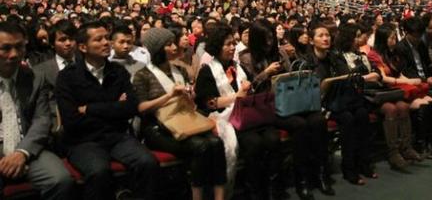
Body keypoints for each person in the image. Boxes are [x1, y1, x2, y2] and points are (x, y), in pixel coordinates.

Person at [55, 21, 161, 200]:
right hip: (83, 140)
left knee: (148, 163)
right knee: (99, 172)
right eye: (99, 39)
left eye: (106, 38)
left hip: (117, 136)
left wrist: (90, 108)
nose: (106, 43)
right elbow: (71, 120)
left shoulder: (118, 72)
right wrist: (114, 107)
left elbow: (130, 108)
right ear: (83, 47)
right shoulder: (68, 77)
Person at [239, 20, 332, 199]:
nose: (269, 42)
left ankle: (320, 174)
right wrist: (266, 72)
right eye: (264, 38)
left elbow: (291, 75)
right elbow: (248, 89)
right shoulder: (246, 57)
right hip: (265, 107)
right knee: (300, 125)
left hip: (288, 100)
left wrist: (288, 70)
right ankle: (301, 180)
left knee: (318, 120)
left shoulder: (280, 52)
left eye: (271, 37)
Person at [133, 27, 226, 200]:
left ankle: (219, 197)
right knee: (202, 146)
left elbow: (189, 105)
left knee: (216, 143)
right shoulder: (143, 75)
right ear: (158, 50)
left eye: (173, 43)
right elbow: (141, 108)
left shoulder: (180, 71)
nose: (175, 47)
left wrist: (190, 96)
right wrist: (169, 95)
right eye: (168, 45)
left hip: (183, 120)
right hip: (157, 128)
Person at [195, 23, 280, 200]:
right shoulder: (208, 70)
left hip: (247, 114)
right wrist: (238, 96)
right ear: (217, 46)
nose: (232, 47)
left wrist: (250, 89)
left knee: (273, 138)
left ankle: (271, 188)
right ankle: (253, 190)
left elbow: (251, 87)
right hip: (224, 117)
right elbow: (209, 103)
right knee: (254, 143)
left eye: (234, 43)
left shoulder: (237, 66)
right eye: (227, 44)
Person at [0, 22, 74, 199]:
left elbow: (42, 119)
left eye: (19, 47)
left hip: (28, 146)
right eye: (5, 48)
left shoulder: (34, 77)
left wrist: (22, 153)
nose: (14, 54)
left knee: (60, 180)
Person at [304, 23, 373, 186]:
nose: (325, 38)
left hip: (339, 100)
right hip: (320, 104)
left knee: (362, 113)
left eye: (327, 35)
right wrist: (327, 84)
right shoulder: (307, 61)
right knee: (347, 118)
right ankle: (349, 168)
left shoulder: (335, 57)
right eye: (320, 35)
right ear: (312, 41)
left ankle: (363, 162)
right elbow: (311, 91)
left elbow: (347, 76)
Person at [366, 23, 432, 160]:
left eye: (395, 38)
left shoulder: (390, 53)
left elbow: (398, 73)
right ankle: (399, 150)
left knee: (419, 103)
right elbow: (384, 78)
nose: (394, 41)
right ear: (383, 39)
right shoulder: (374, 55)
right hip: (385, 90)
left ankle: (409, 147)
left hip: (395, 89)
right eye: (392, 38)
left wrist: (413, 81)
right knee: (410, 106)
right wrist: (410, 82)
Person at [393, 17, 432, 155]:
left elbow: (425, 64)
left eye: (420, 35)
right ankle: (426, 142)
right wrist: (425, 79)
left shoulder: (421, 44)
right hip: (415, 84)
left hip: (426, 81)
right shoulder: (401, 48)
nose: (418, 38)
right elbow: (406, 72)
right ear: (407, 33)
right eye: (415, 35)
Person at [33, 19, 78, 129]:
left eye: (71, 39)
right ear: (53, 44)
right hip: (55, 129)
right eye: (62, 40)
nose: (68, 43)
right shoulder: (40, 71)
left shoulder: (88, 65)